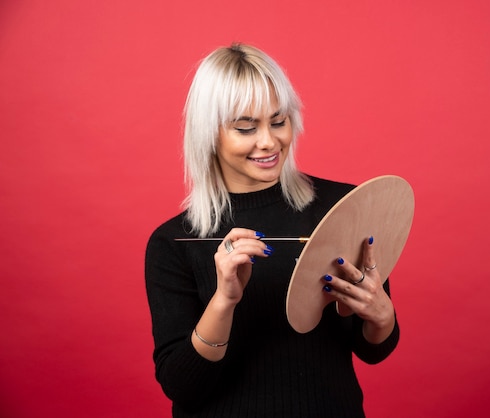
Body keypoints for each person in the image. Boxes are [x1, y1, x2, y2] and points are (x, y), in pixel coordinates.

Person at [145, 43, 400, 418]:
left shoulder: (345, 206)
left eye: (278, 122)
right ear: (209, 135)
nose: (269, 142)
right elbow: (182, 385)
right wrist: (224, 300)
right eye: (246, 127)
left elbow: (373, 350)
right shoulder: (174, 243)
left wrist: (382, 315)